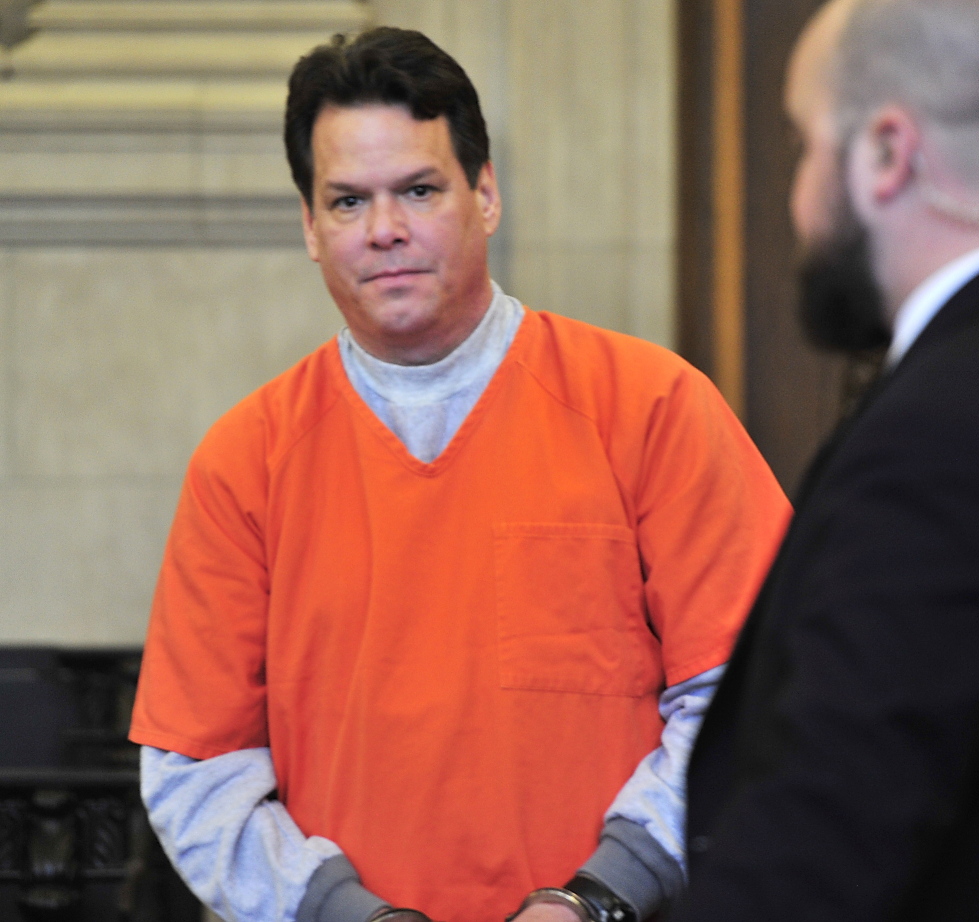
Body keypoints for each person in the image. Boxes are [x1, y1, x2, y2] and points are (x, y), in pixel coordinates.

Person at [128, 27, 789, 922]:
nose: (386, 229)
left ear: (485, 195)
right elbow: (194, 765)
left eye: (420, 190)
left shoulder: (651, 409)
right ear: (309, 228)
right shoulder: (246, 462)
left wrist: (596, 898)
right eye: (348, 201)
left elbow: (747, 694)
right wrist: (342, 912)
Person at [675, 0, 979, 919]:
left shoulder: (937, 433)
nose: (795, 196)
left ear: (885, 155)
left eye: (803, 144)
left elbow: (834, 825)